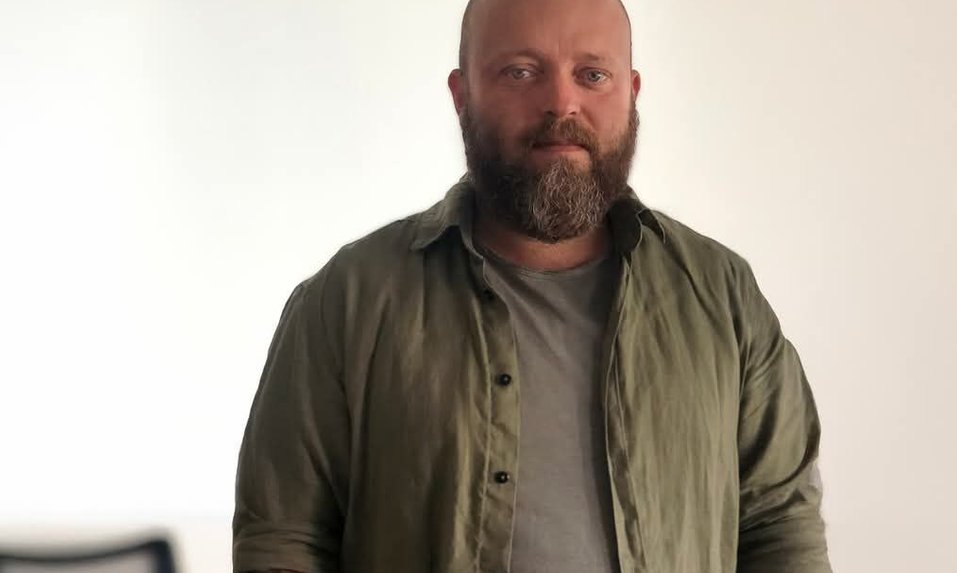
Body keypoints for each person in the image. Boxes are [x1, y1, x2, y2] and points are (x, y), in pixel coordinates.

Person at [232, 0, 832, 571]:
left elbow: (781, 527)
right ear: (462, 95)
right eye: (521, 72)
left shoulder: (723, 297)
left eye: (592, 75)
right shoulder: (347, 300)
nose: (561, 102)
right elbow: (283, 540)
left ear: (631, 93)